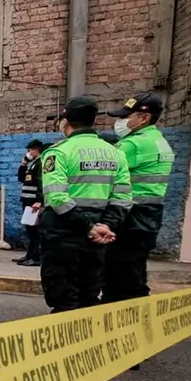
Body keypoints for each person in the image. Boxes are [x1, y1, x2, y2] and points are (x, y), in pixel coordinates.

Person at [39, 96, 132, 313]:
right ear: (94, 122)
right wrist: (105, 226)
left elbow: (57, 197)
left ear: (65, 121)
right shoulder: (116, 153)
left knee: (63, 296)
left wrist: (89, 227)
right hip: (99, 236)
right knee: (89, 295)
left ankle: (65, 345)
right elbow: (123, 198)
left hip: (64, 231)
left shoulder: (59, 152)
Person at [102, 93, 174, 306]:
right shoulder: (159, 142)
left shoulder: (133, 145)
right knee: (134, 268)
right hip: (150, 214)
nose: (121, 121)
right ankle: (138, 313)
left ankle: (121, 317)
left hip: (129, 215)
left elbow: (108, 175)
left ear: (144, 118)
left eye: (127, 116)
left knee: (117, 271)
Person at [15, 139, 45, 267]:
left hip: (34, 202)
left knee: (35, 230)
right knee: (29, 229)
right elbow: (21, 179)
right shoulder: (31, 164)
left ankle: (36, 257)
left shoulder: (40, 163)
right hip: (27, 201)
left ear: (36, 150)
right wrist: (23, 164)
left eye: (30, 150)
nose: (28, 153)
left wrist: (39, 200)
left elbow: (41, 183)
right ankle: (29, 255)